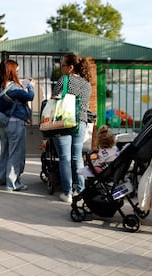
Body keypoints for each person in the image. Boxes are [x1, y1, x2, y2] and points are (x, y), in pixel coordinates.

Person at [52, 53, 92, 203]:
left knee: (64, 158)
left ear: (70, 67)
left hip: (63, 122)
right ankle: (80, 191)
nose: (61, 68)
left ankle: (67, 193)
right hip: (81, 122)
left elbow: (54, 98)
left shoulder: (64, 79)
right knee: (77, 158)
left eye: (62, 65)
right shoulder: (86, 84)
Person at [0, 59, 34, 191]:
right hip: (16, 123)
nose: (17, 72)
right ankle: (13, 183)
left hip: (3, 122)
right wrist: (29, 85)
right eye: (16, 70)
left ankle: (0, 179)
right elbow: (30, 96)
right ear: (11, 71)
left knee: (4, 152)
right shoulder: (14, 87)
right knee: (16, 153)